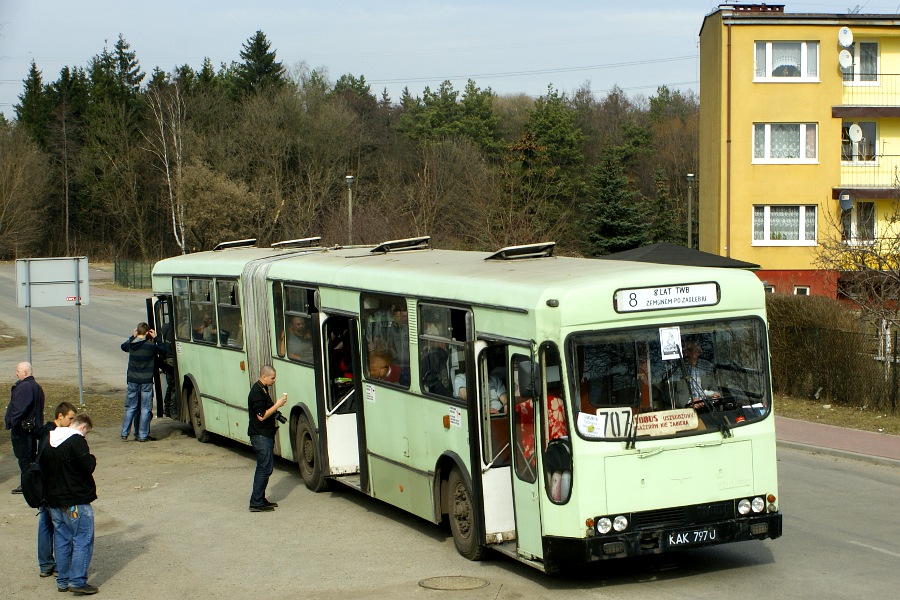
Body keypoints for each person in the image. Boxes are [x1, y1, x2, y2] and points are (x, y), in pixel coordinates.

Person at [42, 413, 98, 595]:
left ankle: (63, 580)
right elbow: (87, 465)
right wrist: (92, 458)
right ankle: (78, 580)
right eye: (86, 432)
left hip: (54, 501)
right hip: (76, 499)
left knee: (61, 539)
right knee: (82, 539)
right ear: (82, 427)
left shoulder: (48, 439)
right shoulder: (76, 441)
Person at [37, 402, 77, 578]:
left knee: (46, 524)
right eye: (70, 418)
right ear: (60, 416)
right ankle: (58, 566)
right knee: (56, 527)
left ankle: (46, 564)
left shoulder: (46, 434)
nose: (72, 422)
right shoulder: (54, 436)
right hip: (51, 488)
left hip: (45, 487)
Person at [247, 365, 287, 512]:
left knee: (264, 467)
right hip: (260, 435)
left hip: (265, 434)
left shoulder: (263, 389)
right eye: (272, 378)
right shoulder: (257, 392)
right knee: (264, 468)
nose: (274, 380)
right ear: (264, 377)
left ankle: (260, 499)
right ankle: (256, 502)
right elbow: (261, 415)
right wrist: (277, 405)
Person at [5, 361, 45, 494]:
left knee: (24, 458)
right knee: (29, 457)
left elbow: (19, 408)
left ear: (25, 373)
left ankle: (28, 484)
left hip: (23, 430)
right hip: (31, 429)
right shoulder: (35, 386)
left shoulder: (25, 387)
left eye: (18, 371)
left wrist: (11, 421)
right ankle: (31, 482)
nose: (16, 373)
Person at [121, 322, 164, 442]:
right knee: (145, 408)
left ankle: (124, 432)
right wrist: (156, 338)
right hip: (146, 381)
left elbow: (123, 347)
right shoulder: (150, 346)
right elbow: (164, 350)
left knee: (131, 407)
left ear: (137, 332)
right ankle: (143, 435)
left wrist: (132, 336)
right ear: (147, 333)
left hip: (132, 380)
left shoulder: (131, 345)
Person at [667, 337, 720, 409]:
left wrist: (714, 395)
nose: (700, 351)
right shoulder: (675, 369)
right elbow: (667, 395)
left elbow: (714, 389)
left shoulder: (706, 366)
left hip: (707, 408)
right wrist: (688, 402)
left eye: (699, 348)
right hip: (686, 412)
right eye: (696, 349)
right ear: (686, 351)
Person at [159, 320, 177, 417]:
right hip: (171, 360)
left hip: (168, 359)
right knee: (173, 386)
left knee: (171, 386)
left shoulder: (166, 327)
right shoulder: (175, 328)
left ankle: (168, 409)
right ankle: (170, 410)